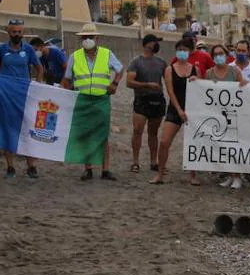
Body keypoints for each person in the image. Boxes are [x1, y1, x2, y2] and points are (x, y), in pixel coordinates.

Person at [62, 23, 124, 181]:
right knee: (85, 134)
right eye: (84, 37)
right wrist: (68, 96)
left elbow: (120, 69)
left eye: (90, 37)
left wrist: (115, 83)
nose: (87, 39)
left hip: (101, 99)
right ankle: (88, 168)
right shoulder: (75, 56)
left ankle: (105, 169)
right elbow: (67, 79)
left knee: (103, 134)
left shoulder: (106, 54)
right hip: (82, 101)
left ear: (97, 38)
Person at [0, 18, 43, 178]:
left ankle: (31, 166)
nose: (16, 34)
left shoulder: (29, 50)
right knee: (7, 130)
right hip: (5, 95)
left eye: (19, 32)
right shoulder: (1, 49)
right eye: (13, 32)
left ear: (23, 32)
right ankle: (10, 166)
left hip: (24, 96)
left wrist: (37, 85)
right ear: (8, 32)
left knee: (27, 130)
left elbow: (39, 68)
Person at [152, 39, 199, 186]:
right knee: (164, 141)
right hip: (175, 109)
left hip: (193, 110)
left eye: (185, 49)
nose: (182, 52)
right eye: (179, 49)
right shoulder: (169, 69)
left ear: (190, 51)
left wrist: (197, 79)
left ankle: (193, 175)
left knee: (194, 143)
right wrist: (179, 110)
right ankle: (160, 174)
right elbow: (170, 92)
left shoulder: (194, 69)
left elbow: (201, 88)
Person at [126, 34, 168, 176]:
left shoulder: (162, 62)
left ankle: (153, 161)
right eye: (155, 42)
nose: (157, 45)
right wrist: (146, 85)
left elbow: (169, 80)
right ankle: (135, 162)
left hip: (157, 99)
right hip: (141, 100)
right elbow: (129, 82)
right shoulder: (136, 62)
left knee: (153, 133)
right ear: (147, 44)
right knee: (137, 130)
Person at [205, 45, 245, 190]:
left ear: (227, 55)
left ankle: (237, 176)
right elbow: (203, 91)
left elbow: (244, 87)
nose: (218, 56)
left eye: (221, 53)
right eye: (215, 54)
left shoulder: (235, 71)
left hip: (234, 114)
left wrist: (243, 84)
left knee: (234, 146)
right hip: (217, 115)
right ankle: (230, 175)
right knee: (224, 146)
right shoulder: (209, 73)